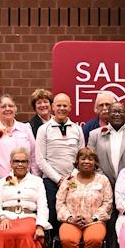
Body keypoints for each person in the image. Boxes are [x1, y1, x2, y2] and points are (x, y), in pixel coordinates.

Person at [56, 148, 113, 248]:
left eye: (90, 159)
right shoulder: (69, 180)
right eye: (83, 158)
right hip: (71, 220)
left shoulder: (103, 180)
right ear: (77, 162)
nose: (86, 161)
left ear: (95, 162)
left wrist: (93, 217)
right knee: (67, 239)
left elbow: (108, 203)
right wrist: (70, 218)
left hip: (95, 220)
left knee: (94, 239)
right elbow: (60, 202)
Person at [35, 93, 84, 228]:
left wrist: (71, 176)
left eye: (65, 105)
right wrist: (58, 179)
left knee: (73, 214)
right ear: (52, 107)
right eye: (58, 105)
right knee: (52, 216)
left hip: (73, 180)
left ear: (70, 108)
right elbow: (40, 159)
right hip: (51, 182)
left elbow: (81, 157)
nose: (62, 108)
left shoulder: (77, 129)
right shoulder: (43, 129)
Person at [0, 94, 39, 194]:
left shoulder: (25, 128)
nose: (7, 109)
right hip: (0, 185)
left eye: (10, 106)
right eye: (3, 106)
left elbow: (34, 156)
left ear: (15, 109)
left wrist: (35, 180)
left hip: (26, 184)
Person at [88, 101, 125, 189]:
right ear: (108, 114)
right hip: (101, 185)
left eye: (120, 111)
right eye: (114, 111)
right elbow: (90, 159)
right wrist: (102, 178)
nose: (117, 114)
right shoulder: (95, 134)